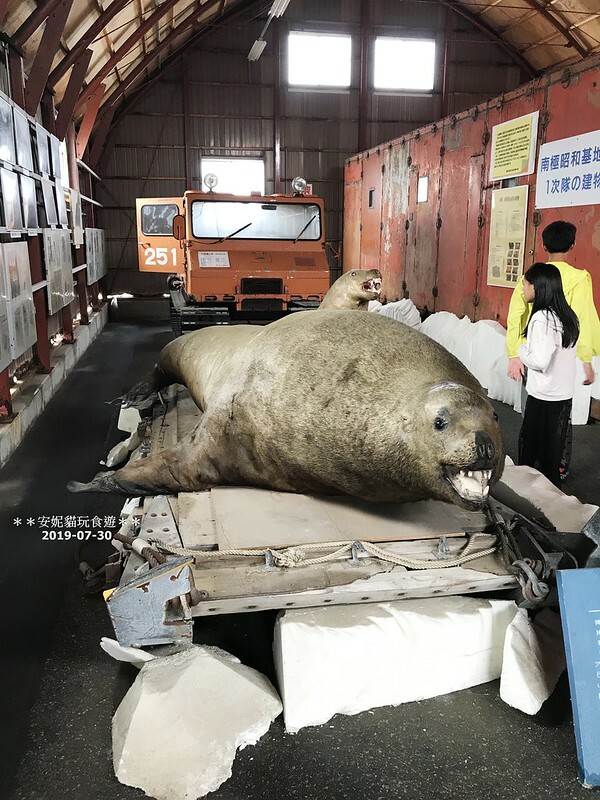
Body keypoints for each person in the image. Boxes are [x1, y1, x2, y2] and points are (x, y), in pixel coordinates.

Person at [506, 220, 600, 476]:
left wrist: (515, 354)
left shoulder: (532, 277)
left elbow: (515, 315)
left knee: (533, 414)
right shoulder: (580, 279)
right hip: (564, 365)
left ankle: (529, 467)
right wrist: (586, 360)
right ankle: (558, 466)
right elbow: (584, 319)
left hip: (536, 357)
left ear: (543, 245)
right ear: (573, 245)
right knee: (560, 420)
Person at [517, 262, 580, 487]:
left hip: (543, 395)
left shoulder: (542, 318)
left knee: (531, 450)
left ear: (537, 287)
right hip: (562, 394)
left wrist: (520, 351)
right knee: (552, 450)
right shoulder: (567, 316)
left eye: (525, 284)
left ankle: (529, 499)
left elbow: (539, 360)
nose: (523, 288)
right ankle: (551, 496)